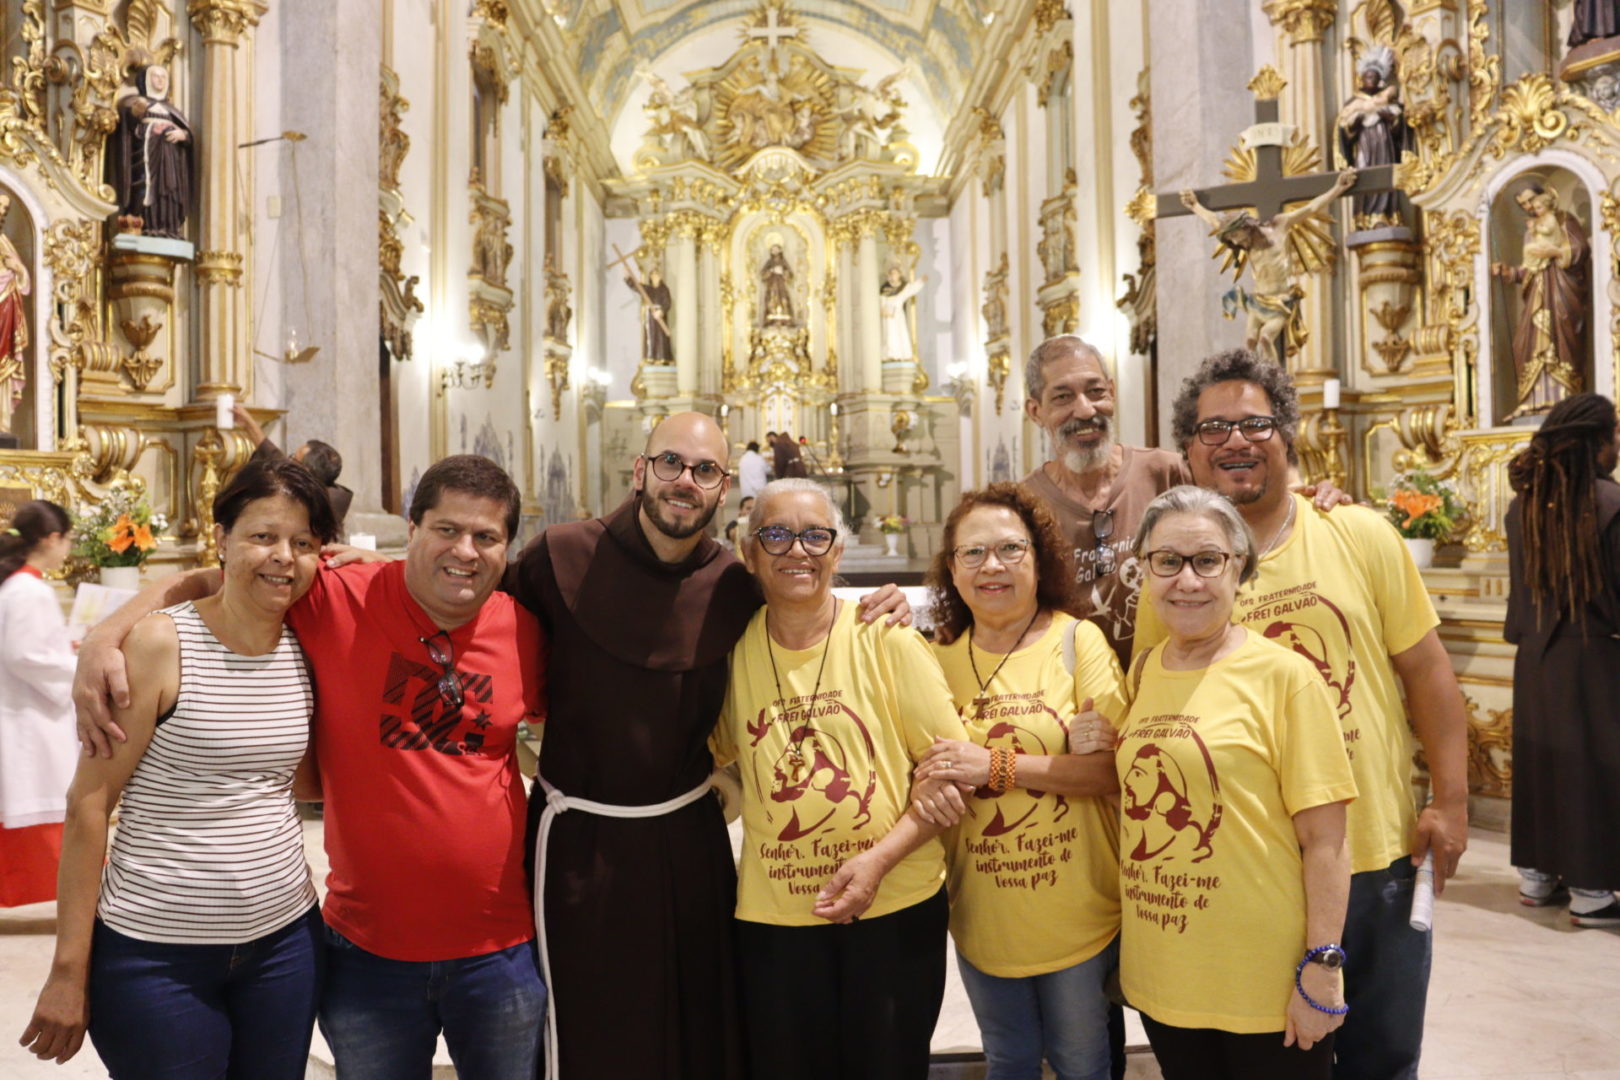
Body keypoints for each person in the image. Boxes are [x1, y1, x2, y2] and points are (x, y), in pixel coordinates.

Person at [71, 454, 547, 1080]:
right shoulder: (336, 594)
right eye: (447, 530)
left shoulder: (526, 632)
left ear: (508, 549)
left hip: (498, 946)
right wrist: (106, 634)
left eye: (486, 537)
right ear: (413, 530)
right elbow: (217, 576)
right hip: (365, 951)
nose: (465, 550)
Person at [508, 412, 908, 1079]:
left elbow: (808, 617)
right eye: (671, 463)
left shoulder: (734, 585)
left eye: (705, 471)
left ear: (724, 488)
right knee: (594, 1023)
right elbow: (477, 622)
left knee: (699, 1020)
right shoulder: (559, 556)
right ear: (640, 471)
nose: (685, 481)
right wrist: (370, 577)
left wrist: (890, 603)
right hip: (581, 843)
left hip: (688, 840)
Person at [1136, 349, 1470, 1080]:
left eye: (1255, 423)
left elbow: (1427, 672)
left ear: (1287, 434)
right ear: (1188, 450)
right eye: (1213, 427)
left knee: (1382, 1058)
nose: (1235, 440)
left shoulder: (1358, 533)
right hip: (1249, 872)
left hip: (1374, 850)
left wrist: (1450, 800)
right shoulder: (1180, 572)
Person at [20, 460, 336, 1074]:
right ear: (221, 539)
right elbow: (89, 804)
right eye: (263, 536)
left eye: (303, 543)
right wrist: (67, 971)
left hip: (285, 945)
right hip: (157, 954)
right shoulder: (162, 643)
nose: (283, 557)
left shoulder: (307, 641)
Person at [712, 478, 964, 1080]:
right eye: (776, 535)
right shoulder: (730, 652)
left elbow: (953, 773)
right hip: (778, 920)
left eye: (815, 536)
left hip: (894, 908)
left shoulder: (887, 639)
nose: (797, 550)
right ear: (748, 553)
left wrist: (878, 861)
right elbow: (709, 754)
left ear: (838, 550)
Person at [1118, 485, 1356, 1080]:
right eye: (1167, 561)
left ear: (1238, 567)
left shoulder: (1286, 677)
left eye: (1207, 560)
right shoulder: (1144, 671)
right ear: (1145, 570)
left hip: (1264, 984)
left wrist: (1323, 965)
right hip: (1164, 973)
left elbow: (1326, 840)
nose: (1186, 581)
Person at [910, 483, 1126, 1080]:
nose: (992, 566)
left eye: (1010, 548)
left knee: (1083, 1065)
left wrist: (995, 766)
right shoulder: (935, 660)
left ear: (1038, 557)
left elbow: (1111, 772)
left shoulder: (1076, 642)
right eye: (973, 553)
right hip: (983, 915)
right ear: (952, 569)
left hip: (1077, 914)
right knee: (1008, 1062)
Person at [1504, 392, 1620, 926]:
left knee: (1543, 765)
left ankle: (1537, 876)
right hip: (1593, 654)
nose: (1617, 445)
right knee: (1591, 770)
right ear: (1595, 441)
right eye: (1614, 435)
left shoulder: (1522, 505)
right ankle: (1592, 893)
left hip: (1535, 657)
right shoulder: (1609, 502)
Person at [1020, 335, 1187, 666]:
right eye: (1063, 397)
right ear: (1036, 411)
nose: (1085, 410)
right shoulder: (1022, 505)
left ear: (1112, 391)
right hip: (1072, 685)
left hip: (1168, 678)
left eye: (1096, 392)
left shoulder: (1168, 474)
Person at [0, 500, 76, 907]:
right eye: (67, 540)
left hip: (27, 709)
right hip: (31, 716)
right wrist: (76, 667)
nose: (68, 549)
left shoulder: (19, 586)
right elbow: (23, 654)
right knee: (43, 800)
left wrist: (66, 648)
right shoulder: (29, 590)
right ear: (51, 538)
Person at [1490, 183, 1589, 419]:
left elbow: (1581, 249)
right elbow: (1529, 268)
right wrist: (1508, 273)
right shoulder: (1530, 231)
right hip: (1537, 292)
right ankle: (1532, 401)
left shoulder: (1564, 219)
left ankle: (1565, 399)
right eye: (1523, 204)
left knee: (1561, 335)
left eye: (1531, 200)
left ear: (1544, 196)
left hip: (1561, 290)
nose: (1528, 206)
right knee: (1525, 343)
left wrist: (1555, 253)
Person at [232, 403, 353, 534]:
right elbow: (275, 456)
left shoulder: (317, 508)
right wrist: (248, 423)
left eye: (293, 458)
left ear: (307, 472)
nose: (288, 461)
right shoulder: (316, 488)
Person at [108, 64, 193, 239]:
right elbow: (128, 124)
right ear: (145, 80)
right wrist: (136, 113)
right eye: (156, 76)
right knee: (148, 188)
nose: (160, 80)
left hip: (170, 160)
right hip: (146, 156)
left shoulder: (172, 110)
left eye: (163, 77)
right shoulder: (136, 102)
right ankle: (147, 225)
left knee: (169, 190)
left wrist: (183, 135)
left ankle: (168, 227)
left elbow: (188, 135)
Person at [0, 194, 31, 439]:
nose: (2, 212)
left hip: (5, 314)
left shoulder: (5, 242)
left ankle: (2, 423)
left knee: (4, 370)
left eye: (5, 209)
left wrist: (17, 269)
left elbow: (23, 280)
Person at [879, 266, 925, 362]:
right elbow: (881, 300)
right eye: (891, 273)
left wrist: (921, 281)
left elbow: (912, 288)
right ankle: (890, 355)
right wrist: (882, 310)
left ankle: (903, 355)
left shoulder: (903, 287)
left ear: (899, 275)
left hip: (897, 314)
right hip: (887, 315)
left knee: (900, 333)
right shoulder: (885, 288)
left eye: (895, 273)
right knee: (889, 335)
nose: (893, 275)